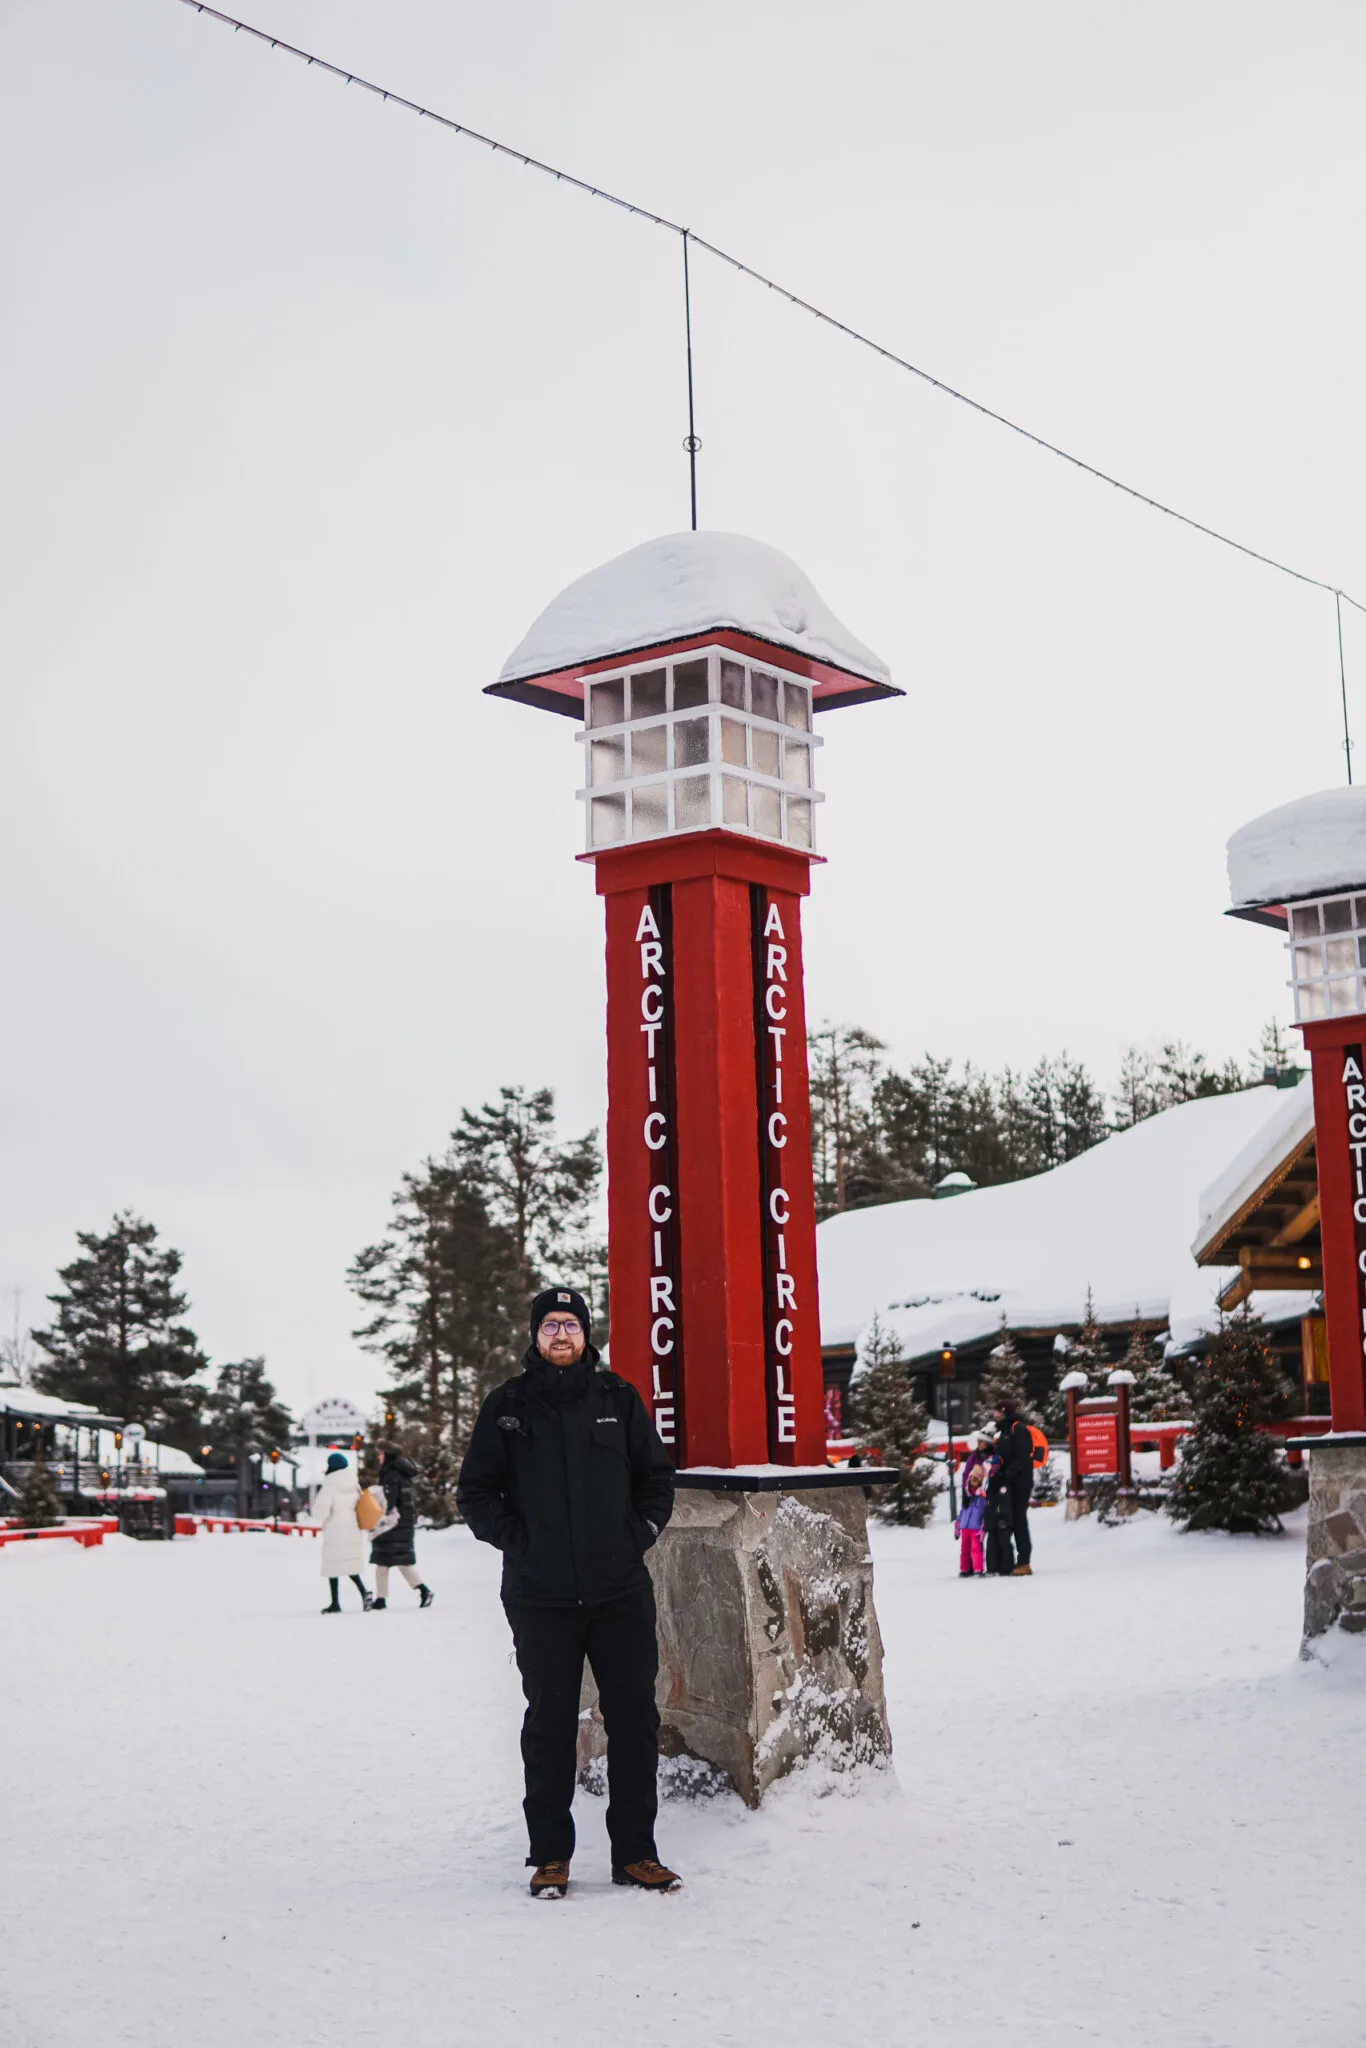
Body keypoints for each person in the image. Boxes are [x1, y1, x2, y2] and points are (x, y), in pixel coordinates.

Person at [456, 1286, 680, 1900]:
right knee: (550, 1725)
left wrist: (639, 1534)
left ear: (587, 1335)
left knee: (634, 1721)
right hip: (540, 1597)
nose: (561, 1335)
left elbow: (656, 1479)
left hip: (619, 1593)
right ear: (534, 1335)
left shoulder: (618, 1399)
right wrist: (520, 1543)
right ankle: (550, 1854)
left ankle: (636, 1853)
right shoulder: (507, 1406)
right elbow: (475, 1492)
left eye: (571, 1325)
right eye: (550, 1325)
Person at [369, 1441, 433, 1610]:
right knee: (394, 1560)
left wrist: (379, 1516)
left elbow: (390, 1502)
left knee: (386, 1560)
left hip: (393, 1523)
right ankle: (384, 1598)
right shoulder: (402, 1472)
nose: (379, 1457)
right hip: (404, 1521)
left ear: (387, 1454)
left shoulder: (391, 1474)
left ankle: (422, 1591)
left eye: (380, 1453)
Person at [315, 1451, 373, 1613]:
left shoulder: (330, 1485)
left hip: (335, 1529)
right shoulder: (353, 1483)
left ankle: (335, 1603)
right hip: (352, 1527)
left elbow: (321, 1511)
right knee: (349, 1564)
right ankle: (364, 1592)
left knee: (333, 1565)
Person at [989, 1399, 1035, 1577]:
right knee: (1010, 1520)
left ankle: (1024, 1561)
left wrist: (1008, 1473)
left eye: (998, 1413)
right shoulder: (1004, 1432)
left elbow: (1023, 1457)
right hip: (1008, 1483)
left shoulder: (1018, 1429)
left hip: (1020, 1482)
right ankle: (1008, 1560)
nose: (996, 1416)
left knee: (1019, 1519)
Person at [954, 1460, 988, 1576]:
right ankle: (965, 1569)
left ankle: (978, 1569)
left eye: (976, 1480)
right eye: (972, 1479)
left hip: (976, 1528)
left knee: (976, 1549)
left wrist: (983, 1527)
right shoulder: (967, 1497)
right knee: (965, 1550)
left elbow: (984, 1513)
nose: (973, 1482)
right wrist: (958, 1526)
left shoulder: (982, 1497)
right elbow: (962, 1512)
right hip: (965, 1527)